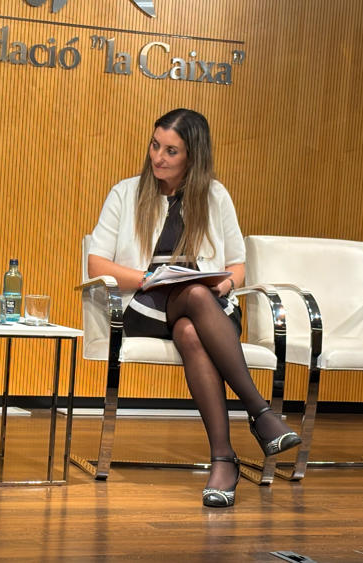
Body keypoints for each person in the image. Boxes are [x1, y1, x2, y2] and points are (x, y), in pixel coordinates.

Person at [88, 108, 301, 508]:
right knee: (197, 298)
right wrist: (147, 278)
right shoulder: (125, 193)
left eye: (171, 151)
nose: (158, 157)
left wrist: (226, 282)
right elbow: (97, 265)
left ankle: (224, 459)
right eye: (155, 145)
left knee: (191, 327)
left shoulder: (215, 196)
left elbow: (237, 264)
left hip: (209, 308)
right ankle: (259, 412)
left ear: (193, 156)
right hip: (145, 304)